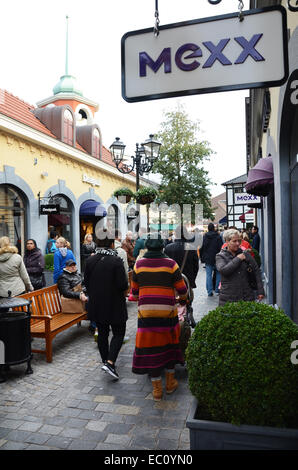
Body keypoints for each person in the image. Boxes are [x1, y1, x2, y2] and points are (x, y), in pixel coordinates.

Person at [131, 235, 188, 401]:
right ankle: (170, 384)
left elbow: (134, 293)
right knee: (169, 347)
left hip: (146, 315)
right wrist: (182, 299)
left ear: (147, 247)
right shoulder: (171, 264)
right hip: (167, 313)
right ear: (163, 246)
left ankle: (156, 390)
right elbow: (182, 289)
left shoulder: (139, 265)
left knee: (151, 351)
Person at [84, 229, 128, 380]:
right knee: (119, 333)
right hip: (114, 303)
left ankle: (105, 361)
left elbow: (87, 283)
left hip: (97, 304)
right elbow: (122, 285)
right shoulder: (116, 261)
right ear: (111, 243)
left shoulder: (90, 260)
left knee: (102, 333)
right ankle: (110, 362)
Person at [215, 229, 264, 306]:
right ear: (227, 241)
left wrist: (260, 291)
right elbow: (224, 270)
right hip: (228, 298)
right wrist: (238, 259)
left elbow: (256, 270)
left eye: (239, 241)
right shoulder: (220, 256)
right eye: (234, 241)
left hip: (246, 296)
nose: (238, 243)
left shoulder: (245, 254)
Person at [199, 223, 223, 296]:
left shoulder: (205, 236)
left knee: (208, 275)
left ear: (208, 228)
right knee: (218, 274)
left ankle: (209, 291)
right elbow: (221, 247)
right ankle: (217, 290)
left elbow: (202, 247)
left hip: (208, 258)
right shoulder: (218, 236)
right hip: (217, 257)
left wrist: (201, 257)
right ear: (213, 228)